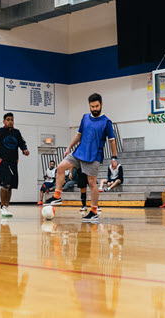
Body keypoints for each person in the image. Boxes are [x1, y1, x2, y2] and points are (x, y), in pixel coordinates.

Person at [45, 93, 117, 223]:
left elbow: (112, 141)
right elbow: (78, 134)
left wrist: (114, 157)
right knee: (60, 168)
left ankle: (94, 212)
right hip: (79, 152)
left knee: (91, 182)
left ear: (101, 105)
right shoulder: (85, 118)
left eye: (96, 106)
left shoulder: (106, 122)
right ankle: (57, 196)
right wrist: (69, 148)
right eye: (92, 106)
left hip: (94, 156)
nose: (94, 109)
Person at [0, 113, 29, 218]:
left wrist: (25, 149)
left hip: (13, 162)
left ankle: (6, 207)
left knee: (10, 186)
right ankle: (2, 206)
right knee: (4, 184)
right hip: (2, 162)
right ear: (4, 121)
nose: (10, 121)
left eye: (12, 119)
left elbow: (22, 143)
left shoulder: (17, 132)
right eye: (8, 119)